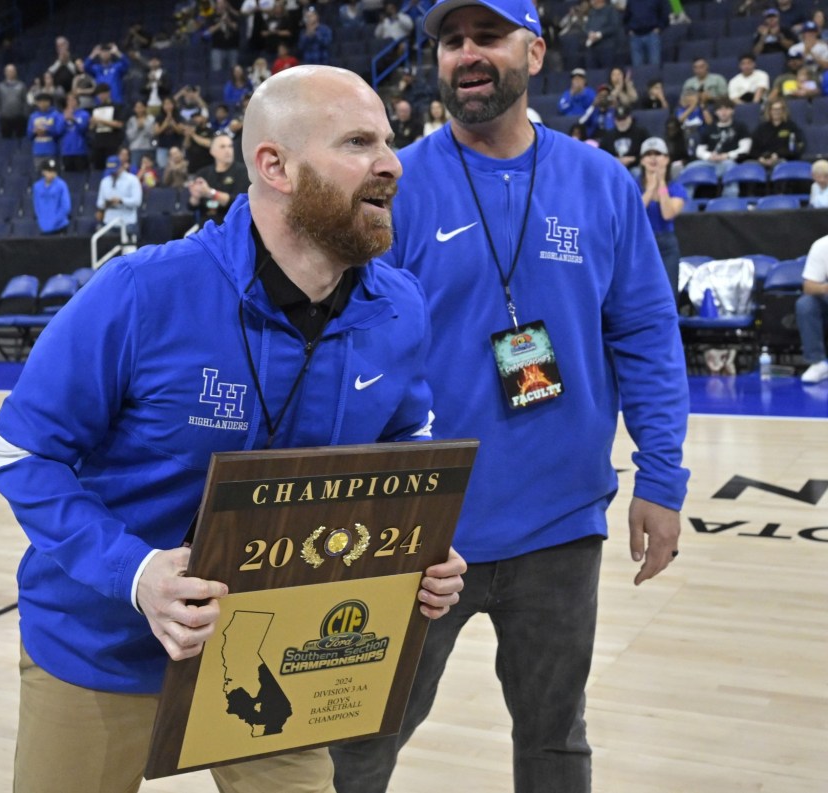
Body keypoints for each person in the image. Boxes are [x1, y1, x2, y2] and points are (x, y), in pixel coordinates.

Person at [0, 62, 466, 793]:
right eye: (359, 142)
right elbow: (18, 449)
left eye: (390, 142)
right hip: (102, 645)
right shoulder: (143, 292)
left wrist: (417, 541)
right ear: (275, 165)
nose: (392, 164)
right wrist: (137, 574)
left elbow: (406, 439)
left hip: (279, 645)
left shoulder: (400, 307)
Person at [329, 2, 688, 792]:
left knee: (556, 739)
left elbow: (648, 333)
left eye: (486, 36)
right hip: (419, 527)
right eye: (451, 42)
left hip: (559, 524)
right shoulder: (393, 184)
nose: (467, 55)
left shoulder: (599, 182)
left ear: (534, 48)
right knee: (361, 742)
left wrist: (661, 477)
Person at [639, 137, 687, 295]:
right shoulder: (633, 185)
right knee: (641, 293)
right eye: (648, 154)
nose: (653, 158)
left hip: (666, 245)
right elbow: (634, 213)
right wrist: (650, 189)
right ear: (642, 160)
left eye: (658, 153)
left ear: (666, 159)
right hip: (641, 243)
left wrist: (660, 184)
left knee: (669, 293)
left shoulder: (675, 188)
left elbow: (668, 214)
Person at [187, 130, 250, 226]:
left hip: (232, 225)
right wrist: (195, 196)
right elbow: (191, 206)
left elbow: (239, 202)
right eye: (222, 147)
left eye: (230, 146)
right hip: (205, 227)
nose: (228, 150)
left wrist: (210, 193)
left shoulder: (243, 171)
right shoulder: (203, 173)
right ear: (212, 151)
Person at [797, 234, 828, 383]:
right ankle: (817, 363)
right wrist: (825, 288)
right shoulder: (822, 245)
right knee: (806, 304)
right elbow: (808, 286)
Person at [95, 153, 142, 237]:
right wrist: (107, 203)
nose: (113, 173)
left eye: (115, 170)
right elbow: (99, 203)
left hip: (127, 221)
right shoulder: (105, 181)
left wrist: (121, 200)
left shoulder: (132, 180)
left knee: (129, 248)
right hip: (109, 222)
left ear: (121, 166)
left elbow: (137, 201)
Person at [752, 98, 805, 171]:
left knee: (781, 166)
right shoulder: (761, 128)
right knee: (749, 166)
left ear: (784, 111)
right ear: (769, 111)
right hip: (762, 160)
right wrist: (760, 158)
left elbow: (796, 148)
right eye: (773, 109)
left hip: (782, 159)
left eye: (779, 109)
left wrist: (777, 155)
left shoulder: (791, 127)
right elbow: (754, 149)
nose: (776, 112)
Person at [27, 93, 65, 172]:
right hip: (38, 151)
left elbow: (59, 131)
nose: (42, 104)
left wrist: (47, 130)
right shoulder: (33, 116)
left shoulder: (56, 115)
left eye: (45, 101)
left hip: (51, 150)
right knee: (39, 174)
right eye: (40, 102)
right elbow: (29, 134)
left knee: (52, 173)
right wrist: (35, 132)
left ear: (49, 102)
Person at [623, 0, 668, 67]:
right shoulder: (631, 1)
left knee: (654, 65)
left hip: (652, 35)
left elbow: (664, 15)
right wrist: (628, 30)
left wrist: (659, 28)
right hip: (635, 37)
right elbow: (626, 18)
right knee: (637, 67)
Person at [32, 159, 71, 235]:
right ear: (43, 172)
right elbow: (36, 205)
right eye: (49, 171)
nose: (51, 174)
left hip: (59, 227)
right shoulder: (37, 186)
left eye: (53, 171)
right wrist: (41, 220)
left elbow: (66, 206)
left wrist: (56, 220)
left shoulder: (61, 185)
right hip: (44, 227)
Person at [0, 63, 28, 138]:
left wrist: (24, 115)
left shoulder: (22, 86)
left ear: (15, 72)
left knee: (20, 138)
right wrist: (0, 115)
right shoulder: (0, 87)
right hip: (5, 119)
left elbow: (25, 102)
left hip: (19, 119)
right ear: (5, 72)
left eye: (12, 71)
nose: (10, 73)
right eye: (8, 71)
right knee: (6, 141)